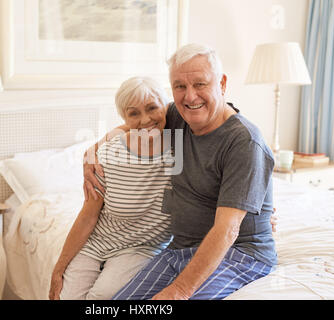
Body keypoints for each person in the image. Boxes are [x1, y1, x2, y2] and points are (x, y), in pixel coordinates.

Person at [84, 43, 277, 300]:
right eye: (180, 86)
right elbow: (137, 121)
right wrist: (92, 150)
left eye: (200, 84)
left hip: (240, 253)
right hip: (180, 248)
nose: (190, 96)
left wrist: (179, 290)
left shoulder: (244, 141)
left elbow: (227, 230)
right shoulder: (179, 116)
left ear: (221, 83)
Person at [49, 76, 175, 300]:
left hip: (141, 248)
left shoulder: (183, 147)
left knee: (102, 297)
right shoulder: (106, 154)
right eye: (133, 113)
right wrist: (59, 268)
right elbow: (88, 215)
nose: (145, 119)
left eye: (152, 108)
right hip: (96, 242)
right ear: (124, 117)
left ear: (166, 106)